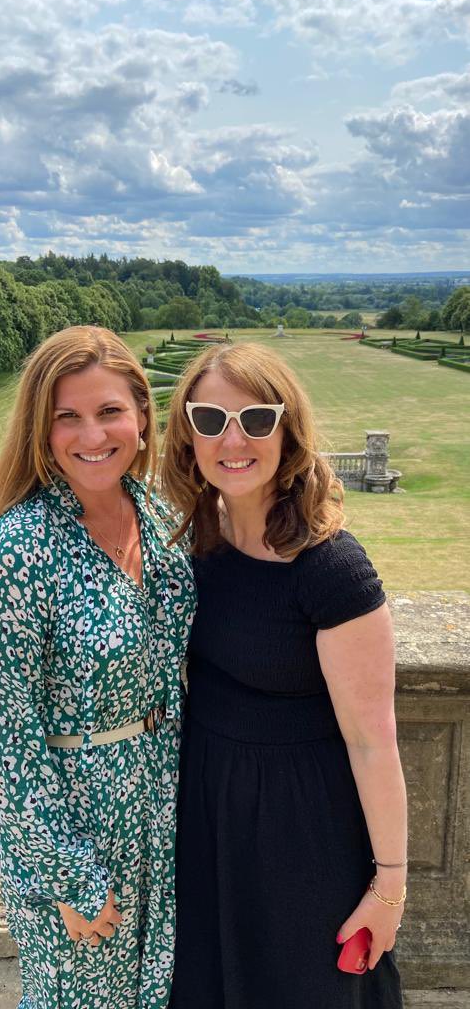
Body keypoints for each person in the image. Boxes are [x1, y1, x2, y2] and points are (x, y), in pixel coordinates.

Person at [160, 341, 406, 1009]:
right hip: (208, 820)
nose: (231, 439)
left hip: (300, 833)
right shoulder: (193, 537)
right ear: (186, 433)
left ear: (287, 430)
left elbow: (372, 741)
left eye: (255, 420)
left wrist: (388, 888)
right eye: (209, 420)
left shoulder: (330, 568)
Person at [0, 325, 196, 1009]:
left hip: (165, 810)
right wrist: (70, 877)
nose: (91, 434)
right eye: (68, 416)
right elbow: (6, 737)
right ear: (41, 428)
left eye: (108, 411)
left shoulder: (157, 514)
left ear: (142, 418)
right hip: (80, 831)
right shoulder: (17, 550)